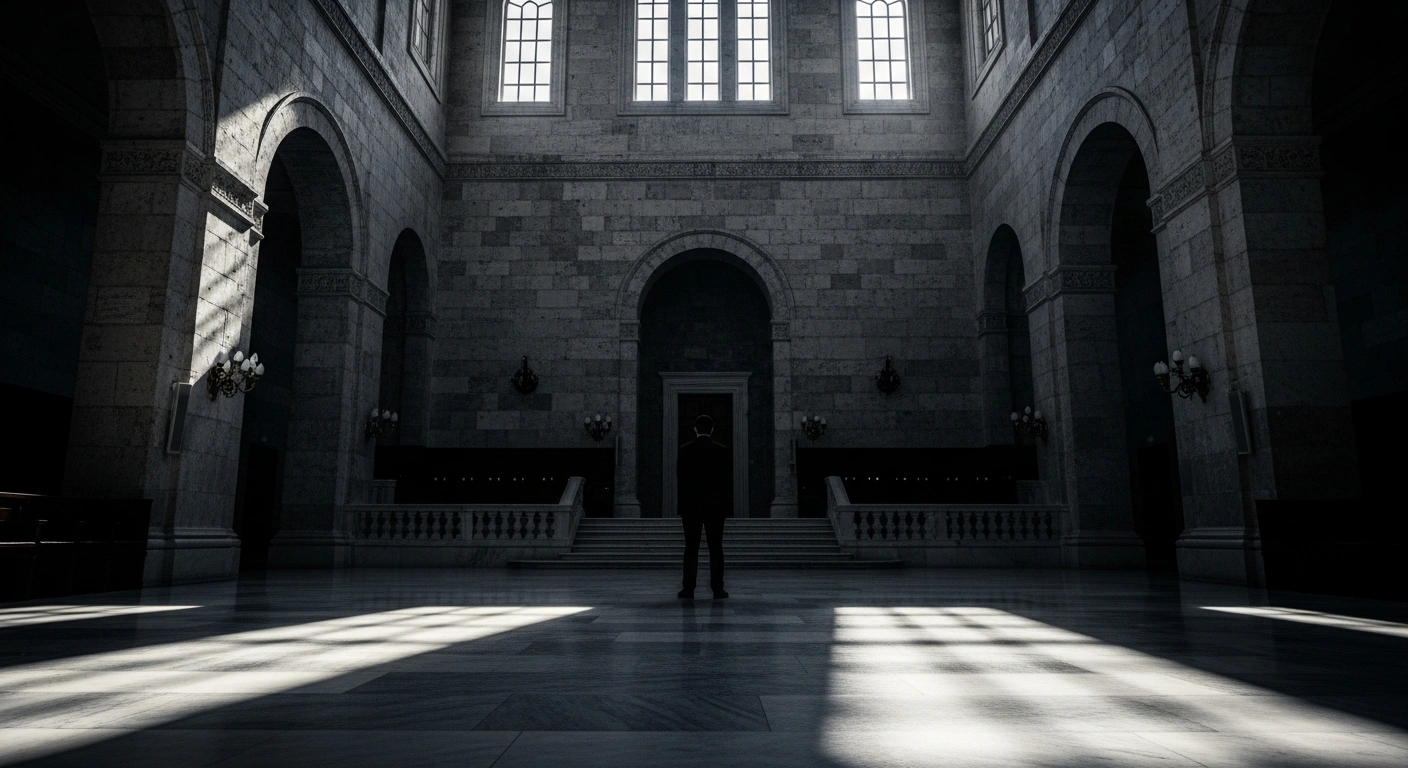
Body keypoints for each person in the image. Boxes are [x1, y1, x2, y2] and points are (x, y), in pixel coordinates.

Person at [676, 413, 730, 599]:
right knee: (716, 548)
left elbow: (681, 481)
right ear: (712, 430)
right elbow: (726, 482)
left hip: (691, 508)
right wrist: (725, 507)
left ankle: (688, 589)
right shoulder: (722, 451)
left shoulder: (684, 450)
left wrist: (681, 507)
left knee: (691, 548)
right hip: (715, 508)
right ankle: (718, 589)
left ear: (695, 429)